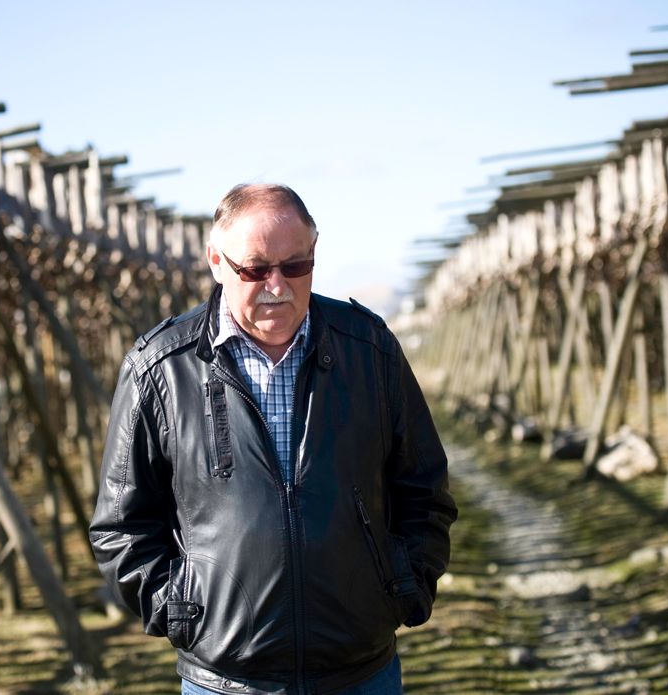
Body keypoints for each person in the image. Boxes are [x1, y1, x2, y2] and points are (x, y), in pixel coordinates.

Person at [90, 183, 457, 695]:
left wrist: (403, 586)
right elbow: (120, 528)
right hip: (224, 681)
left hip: (360, 672)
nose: (277, 285)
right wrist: (183, 612)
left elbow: (424, 491)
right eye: (256, 269)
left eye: (295, 265)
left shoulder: (370, 350)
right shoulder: (160, 370)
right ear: (217, 261)